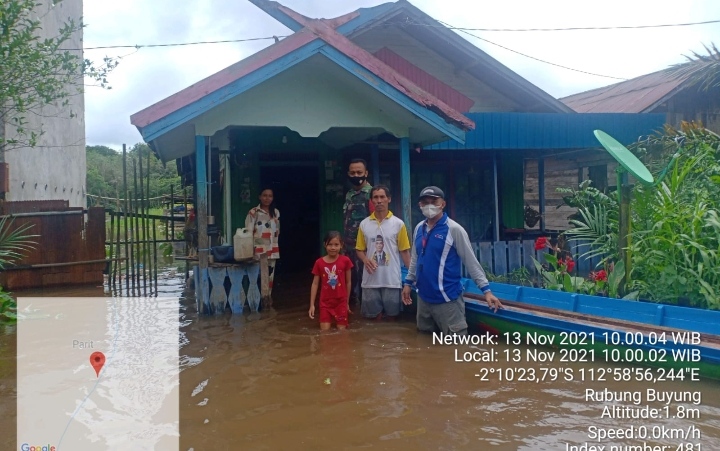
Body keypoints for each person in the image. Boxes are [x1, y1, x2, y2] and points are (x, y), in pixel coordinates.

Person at [401, 186, 503, 335]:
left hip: (447, 300)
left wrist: (486, 291)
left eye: (434, 201)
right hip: (423, 298)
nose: (429, 205)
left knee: (456, 347)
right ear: (420, 205)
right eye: (425, 202)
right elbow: (416, 259)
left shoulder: (454, 229)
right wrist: (408, 283)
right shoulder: (419, 228)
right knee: (424, 341)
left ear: (443, 204)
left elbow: (470, 261)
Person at [356, 185, 411, 320]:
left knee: (392, 320)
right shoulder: (364, 224)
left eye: (382, 197)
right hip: (370, 281)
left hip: (392, 280)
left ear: (389, 199)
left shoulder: (398, 224)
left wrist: (411, 279)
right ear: (371, 201)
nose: (379, 200)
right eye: (376, 197)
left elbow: (404, 252)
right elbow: (359, 250)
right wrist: (365, 260)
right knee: (373, 321)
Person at [343, 158, 374, 305]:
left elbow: (376, 221)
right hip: (348, 246)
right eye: (353, 172)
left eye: (359, 172)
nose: (356, 175)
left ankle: (366, 312)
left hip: (365, 248)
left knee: (365, 280)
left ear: (366, 173)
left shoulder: (372, 194)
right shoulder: (349, 194)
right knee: (349, 278)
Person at [309, 231, 354, 330]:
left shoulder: (345, 261)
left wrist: (346, 302)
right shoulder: (319, 262)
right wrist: (312, 305)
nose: (333, 248)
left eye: (336, 244)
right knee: (324, 333)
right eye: (330, 244)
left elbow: (348, 282)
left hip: (341, 302)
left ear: (341, 245)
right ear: (325, 245)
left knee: (342, 333)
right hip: (325, 303)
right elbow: (315, 284)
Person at [244, 188, 280, 294]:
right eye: (264, 195)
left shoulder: (276, 212)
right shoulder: (253, 212)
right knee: (257, 276)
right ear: (260, 197)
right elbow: (248, 232)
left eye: (270, 196)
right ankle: (256, 301)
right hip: (258, 251)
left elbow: (277, 231)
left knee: (270, 277)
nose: (267, 198)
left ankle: (267, 300)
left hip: (272, 251)